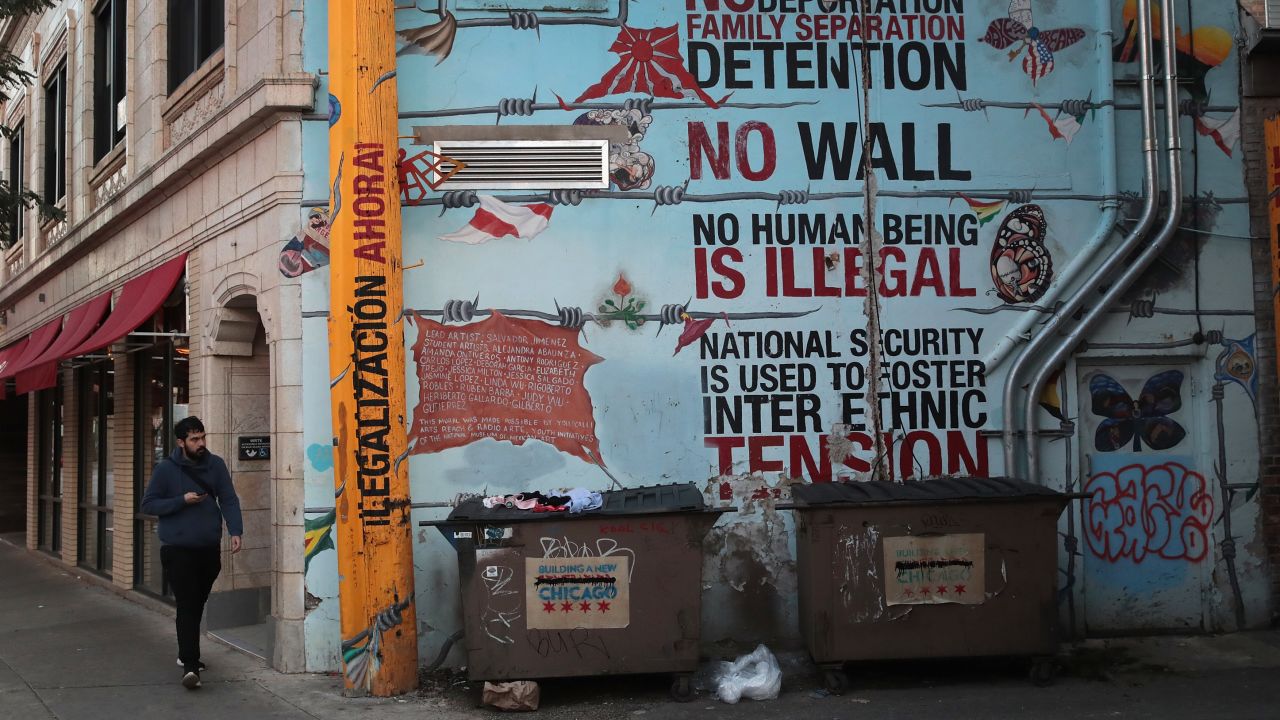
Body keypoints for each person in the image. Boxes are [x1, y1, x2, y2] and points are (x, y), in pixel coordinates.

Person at [141, 416, 243, 690]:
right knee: (188, 605)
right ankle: (190, 665)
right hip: (177, 550)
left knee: (195, 605)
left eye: (202, 437)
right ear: (180, 442)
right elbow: (148, 504)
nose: (200, 443)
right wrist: (181, 501)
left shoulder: (216, 465)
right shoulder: (166, 470)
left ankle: (185, 651)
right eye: (194, 439)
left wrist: (236, 530)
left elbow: (229, 498)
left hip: (208, 550)